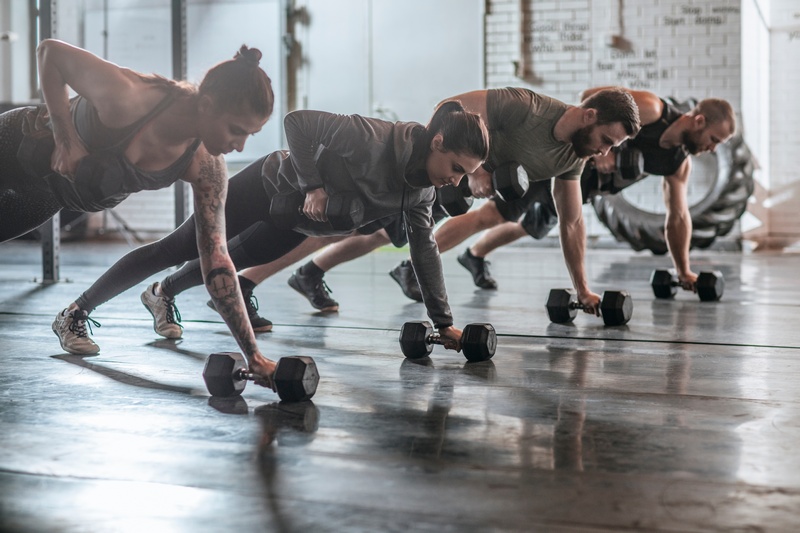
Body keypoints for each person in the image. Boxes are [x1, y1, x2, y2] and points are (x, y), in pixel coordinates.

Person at [54, 101, 491, 369]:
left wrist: (444, 324)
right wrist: (313, 185)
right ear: (437, 143)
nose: (457, 182)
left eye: (465, 175)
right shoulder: (371, 137)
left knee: (231, 262)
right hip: (264, 186)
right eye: (457, 168)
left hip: (294, 223)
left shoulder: (420, 194)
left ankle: (162, 293)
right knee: (181, 246)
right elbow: (298, 122)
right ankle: (75, 312)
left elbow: (425, 251)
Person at [206, 87, 640, 325]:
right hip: (437, 168)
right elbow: (450, 109)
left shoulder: (573, 158)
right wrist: (473, 170)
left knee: (375, 232)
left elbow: (572, 221)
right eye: (608, 140)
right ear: (589, 116)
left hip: (453, 188)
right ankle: (250, 279)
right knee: (342, 220)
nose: (605, 153)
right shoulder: (527, 108)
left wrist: (582, 288)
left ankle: (309, 273)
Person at [5, 39, 277, 381]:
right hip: (16, 145)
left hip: (49, 195)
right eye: (236, 130)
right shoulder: (130, 98)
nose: (239, 145)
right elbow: (50, 52)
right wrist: (66, 138)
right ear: (206, 105)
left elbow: (217, 259)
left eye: (250, 135)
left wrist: (253, 355)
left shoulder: (205, 166)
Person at [450, 88, 736, 292]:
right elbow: (591, 95)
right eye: (714, 139)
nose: (712, 148)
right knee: (494, 215)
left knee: (532, 227)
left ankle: (473, 255)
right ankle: (418, 264)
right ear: (699, 121)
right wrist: (600, 152)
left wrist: (683, 269)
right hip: (562, 159)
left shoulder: (677, 163)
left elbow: (678, 217)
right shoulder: (653, 108)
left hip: (579, 186)